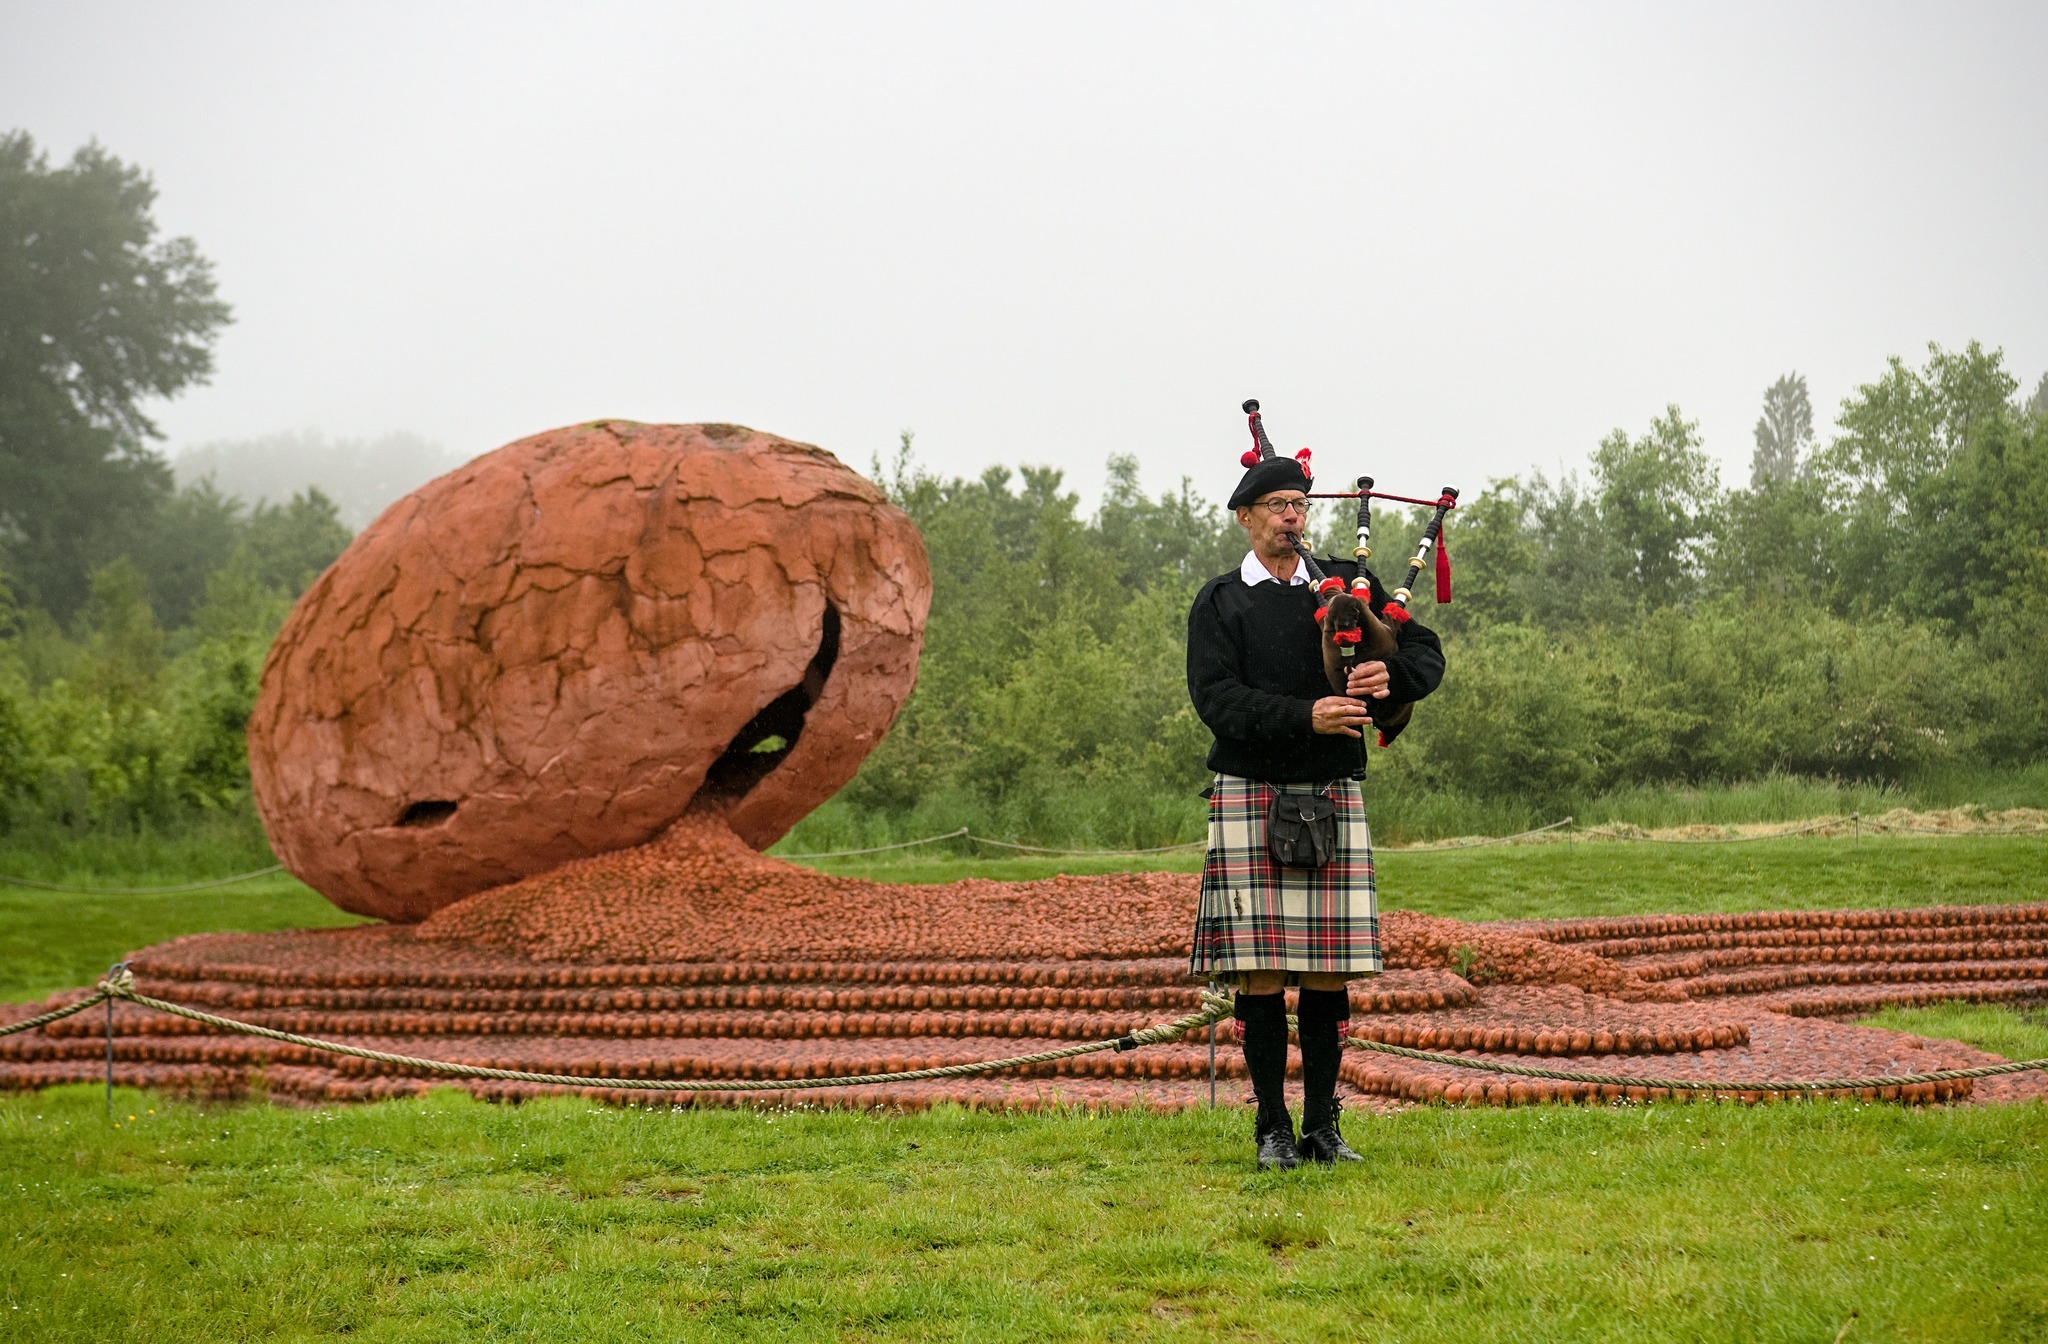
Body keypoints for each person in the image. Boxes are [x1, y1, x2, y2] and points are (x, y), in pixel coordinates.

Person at [1186, 449, 1444, 1169]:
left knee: (1329, 975)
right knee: (1262, 973)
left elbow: (1426, 653)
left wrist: (1385, 672)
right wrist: (1307, 715)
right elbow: (1215, 700)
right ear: (1245, 518)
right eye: (1275, 506)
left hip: (1331, 792)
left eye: (1299, 504)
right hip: (1251, 790)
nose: (1290, 517)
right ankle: (1272, 1128)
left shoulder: (1345, 586)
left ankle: (1324, 1128)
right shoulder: (1220, 602)